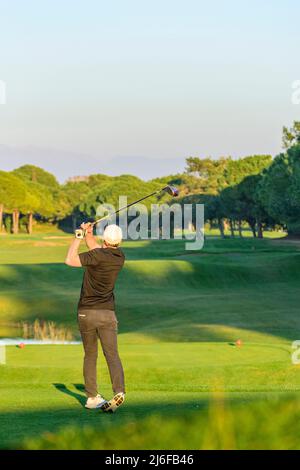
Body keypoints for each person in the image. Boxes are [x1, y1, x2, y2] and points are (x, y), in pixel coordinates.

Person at [65, 222, 125, 413]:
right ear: (119, 241)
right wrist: (89, 233)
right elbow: (97, 249)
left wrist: (79, 236)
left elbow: (70, 260)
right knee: (112, 355)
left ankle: (91, 397)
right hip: (107, 313)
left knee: (90, 355)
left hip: (87, 312)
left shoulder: (97, 255)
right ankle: (119, 391)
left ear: (104, 239)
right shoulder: (119, 257)